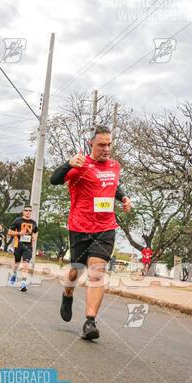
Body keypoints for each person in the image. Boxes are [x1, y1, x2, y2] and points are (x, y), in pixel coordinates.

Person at [50, 125, 131, 340]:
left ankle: (89, 322)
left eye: (109, 144)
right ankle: (68, 293)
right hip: (79, 227)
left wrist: (123, 197)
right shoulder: (80, 164)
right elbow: (54, 180)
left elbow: (112, 185)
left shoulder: (115, 166)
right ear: (91, 145)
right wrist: (67, 164)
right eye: (101, 145)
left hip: (105, 227)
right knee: (76, 271)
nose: (106, 149)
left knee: (96, 272)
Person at [8, 205, 38, 291]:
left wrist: (34, 237)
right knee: (17, 264)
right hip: (18, 246)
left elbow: (36, 232)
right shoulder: (18, 221)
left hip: (28, 247)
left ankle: (23, 283)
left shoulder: (33, 223)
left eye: (30, 211)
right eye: (26, 210)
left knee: (25, 265)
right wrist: (18, 233)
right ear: (23, 212)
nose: (28, 212)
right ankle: (14, 274)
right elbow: (9, 232)